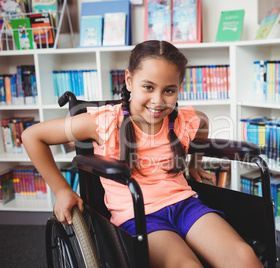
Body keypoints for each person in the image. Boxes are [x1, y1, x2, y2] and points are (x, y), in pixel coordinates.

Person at [22, 40, 263, 268]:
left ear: (180, 88)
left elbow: (202, 122)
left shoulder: (179, 120)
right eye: (148, 87)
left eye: (169, 90)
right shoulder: (104, 122)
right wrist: (62, 190)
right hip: (137, 215)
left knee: (244, 257)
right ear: (129, 80)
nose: (158, 101)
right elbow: (32, 136)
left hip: (185, 205)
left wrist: (195, 164)